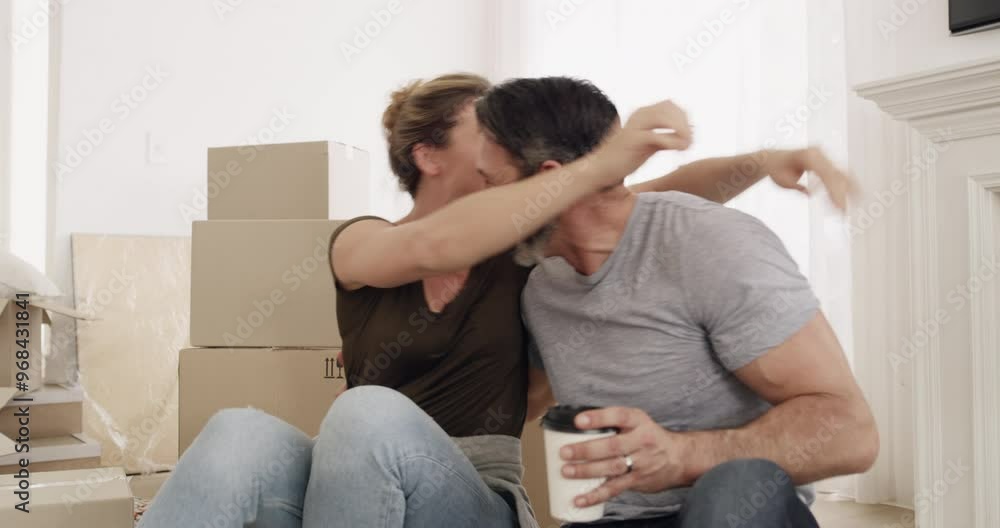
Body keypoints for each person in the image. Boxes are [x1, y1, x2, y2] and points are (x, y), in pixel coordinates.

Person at [138, 73, 856, 528]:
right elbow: (434, 245)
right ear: (428, 155)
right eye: (479, 130)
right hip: (356, 474)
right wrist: (600, 161)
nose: (491, 150)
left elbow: (636, 200)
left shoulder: (528, 252)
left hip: (471, 488)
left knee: (364, 414)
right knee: (238, 431)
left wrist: (764, 161)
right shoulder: (364, 242)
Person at [470, 76, 878, 527]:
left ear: (550, 179)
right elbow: (522, 401)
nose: (476, 205)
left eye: (489, 182)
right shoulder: (540, 286)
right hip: (614, 521)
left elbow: (851, 432)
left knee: (735, 485)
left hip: (732, 512)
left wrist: (682, 455)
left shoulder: (713, 245)